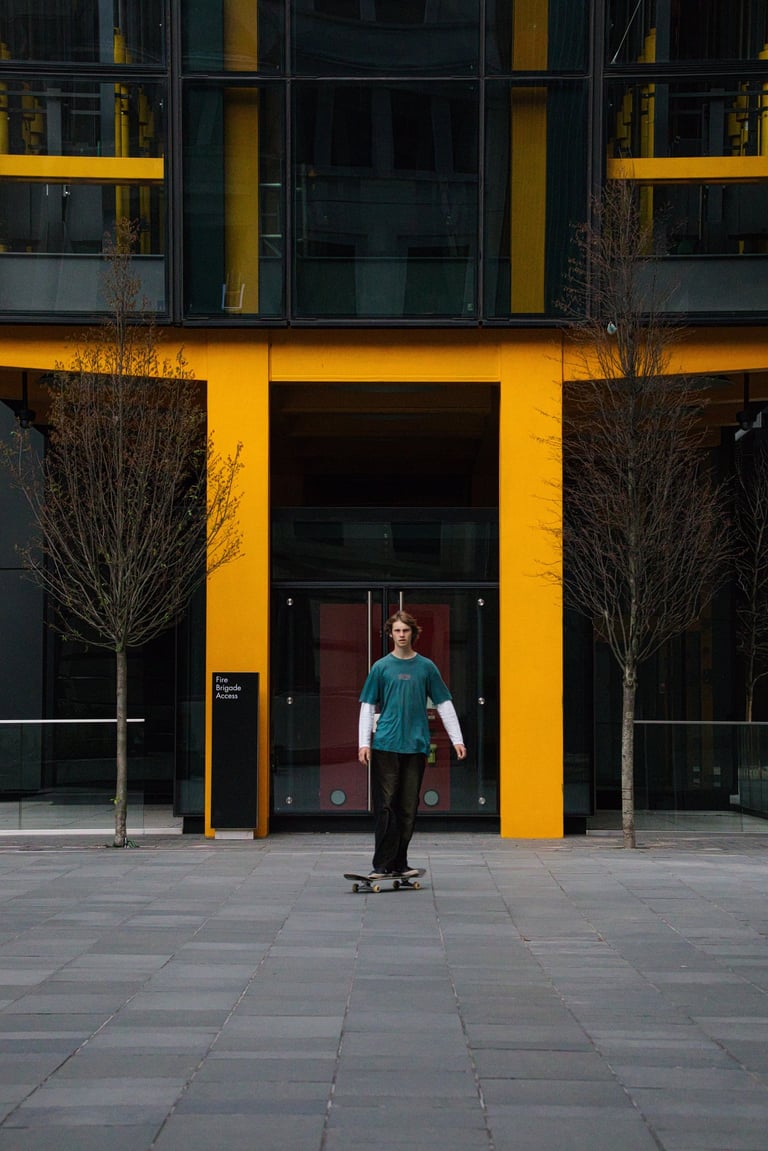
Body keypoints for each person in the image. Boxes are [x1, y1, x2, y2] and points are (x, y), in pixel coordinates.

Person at [357, 609, 466, 880]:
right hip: (385, 744)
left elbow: (444, 703)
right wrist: (364, 743)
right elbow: (368, 706)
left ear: (413, 633)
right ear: (390, 634)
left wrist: (457, 739)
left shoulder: (426, 667)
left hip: (416, 745)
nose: (401, 635)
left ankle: (400, 862)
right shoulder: (380, 667)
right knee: (385, 805)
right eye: (397, 630)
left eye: (405, 630)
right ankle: (381, 864)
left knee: (408, 806)